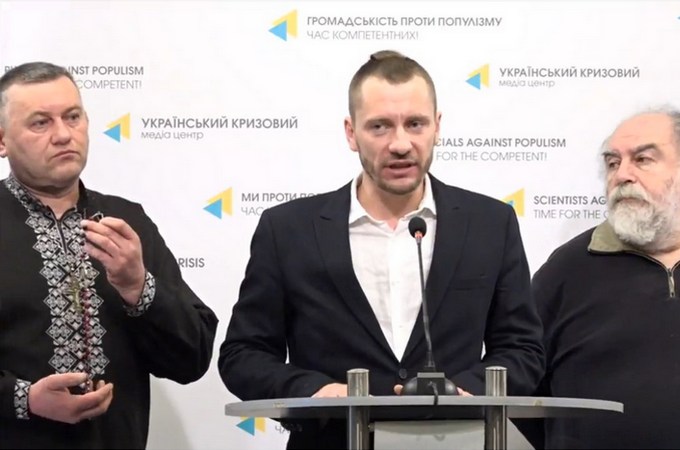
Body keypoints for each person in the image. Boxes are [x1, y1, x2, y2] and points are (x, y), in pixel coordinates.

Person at [218, 50, 544, 449]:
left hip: (457, 440)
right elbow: (243, 355)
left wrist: (466, 391)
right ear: (351, 133)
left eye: (415, 124)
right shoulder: (287, 230)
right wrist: (313, 391)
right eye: (380, 126)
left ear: (437, 127)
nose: (400, 144)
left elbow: (523, 350)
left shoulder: (491, 223)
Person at [0, 62, 218, 449]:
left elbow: (192, 358)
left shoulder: (127, 221)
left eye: (72, 116)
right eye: (40, 123)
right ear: (2, 141)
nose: (63, 134)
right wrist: (24, 399)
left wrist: (138, 287)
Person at [526, 108, 680, 448]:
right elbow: (522, 394)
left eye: (642, 160)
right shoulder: (565, 271)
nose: (622, 175)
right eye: (612, 163)